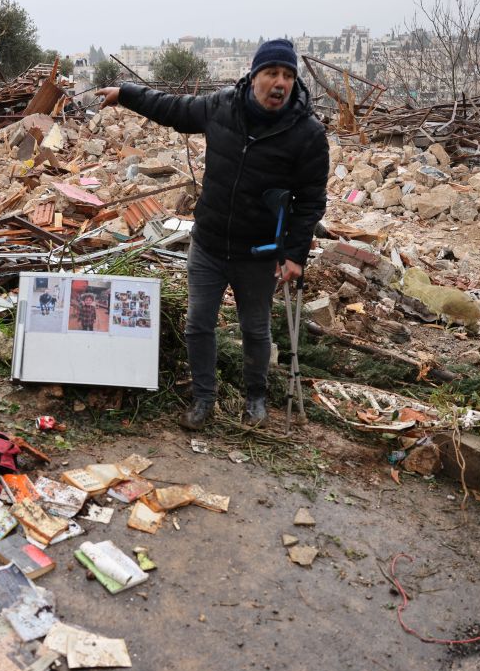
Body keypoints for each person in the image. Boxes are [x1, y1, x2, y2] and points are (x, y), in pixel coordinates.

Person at [96, 38, 328, 429]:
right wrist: (126, 93)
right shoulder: (222, 107)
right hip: (209, 243)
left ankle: (256, 398)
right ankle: (204, 398)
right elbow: (173, 108)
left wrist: (294, 254)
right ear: (254, 76)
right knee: (198, 324)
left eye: (288, 75)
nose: (280, 82)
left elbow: (311, 202)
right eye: (272, 73)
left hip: (258, 251)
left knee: (256, 329)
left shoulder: (307, 134)